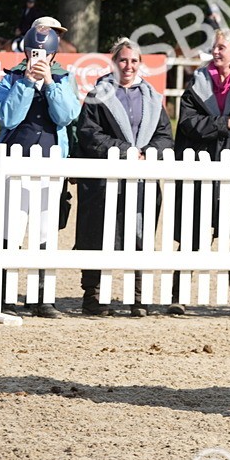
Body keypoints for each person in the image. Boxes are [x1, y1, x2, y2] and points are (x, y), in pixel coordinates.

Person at [74, 38, 174, 317]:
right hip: (104, 180)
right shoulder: (98, 94)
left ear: (140, 64)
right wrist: (125, 151)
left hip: (142, 179)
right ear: (114, 62)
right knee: (98, 234)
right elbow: (89, 133)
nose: (128, 66)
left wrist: (149, 153)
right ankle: (94, 295)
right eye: (123, 60)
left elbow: (165, 136)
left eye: (133, 61)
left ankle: (137, 296)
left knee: (140, 235)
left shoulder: (153, 98)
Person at [170, 28, 230, 317]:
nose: (216, 51)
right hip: (202, 163)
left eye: (222, 47)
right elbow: (187, 122)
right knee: (193, 234)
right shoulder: (197, 82)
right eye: (215, 47)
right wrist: (224, 124)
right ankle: (179, 296)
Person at [0, 16, 82, 317]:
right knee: (13, 226)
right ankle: (4, 293)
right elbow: (8, 117)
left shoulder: (65, 78)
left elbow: (67, 115)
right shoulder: (11, 77)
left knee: (46, 228)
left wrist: (49, 83)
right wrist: (28, 84)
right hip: (17, 160)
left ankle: (42, 296)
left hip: (51, 160)